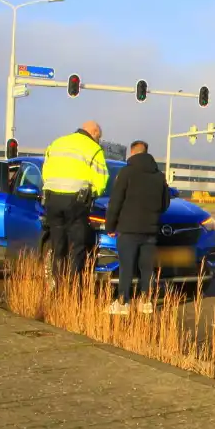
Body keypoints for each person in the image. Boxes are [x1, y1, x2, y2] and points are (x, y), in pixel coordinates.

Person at [104, 140, 169, 315]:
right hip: (150, 230)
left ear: (132, 153)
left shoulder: (126, 172)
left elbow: (115, 201)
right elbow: (165, 203)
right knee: (146, 267)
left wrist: (110, 225)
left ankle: (123, 302)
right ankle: (145, 302)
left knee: (126, 266)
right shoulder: (159, 176)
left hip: (128, 229)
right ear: (146, 152)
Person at [40, 121, 109, 281]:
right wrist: (93, 194)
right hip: (76, 202)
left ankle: (58, 287)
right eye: (99, 136)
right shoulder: (93, 148)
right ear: (94, 132)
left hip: (53, 200)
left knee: (58, 246)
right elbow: (101, 179)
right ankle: (72, 289)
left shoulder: (57, 143)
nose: (98, 140)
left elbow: (46, 171)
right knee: (77, 247)